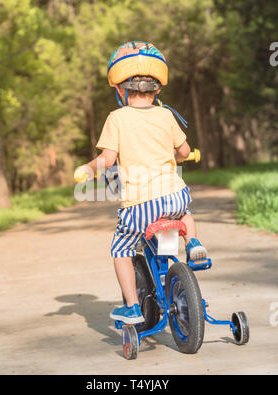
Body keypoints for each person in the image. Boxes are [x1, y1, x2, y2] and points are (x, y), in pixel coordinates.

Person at [76, 42, 207, 324]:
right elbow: (183, 152)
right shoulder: (165, 115)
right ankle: (193, 243)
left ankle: (133, 307)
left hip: (139, 206)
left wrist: (88, 169)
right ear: (157, 90)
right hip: (174, 198)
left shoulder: (117, 118)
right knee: (184, 214)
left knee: (121, 249)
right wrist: (180, 154)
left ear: (120, 90)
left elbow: (108, 160)